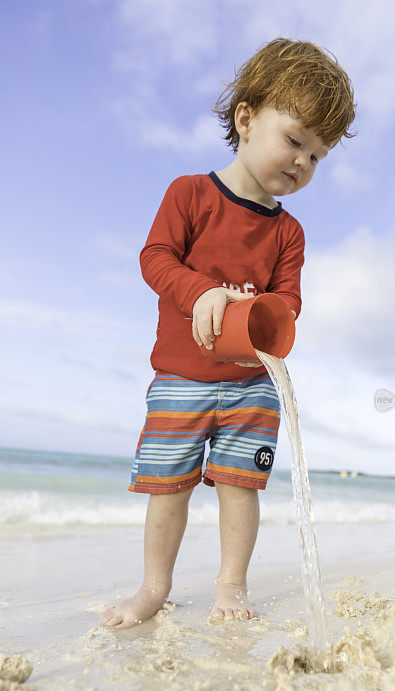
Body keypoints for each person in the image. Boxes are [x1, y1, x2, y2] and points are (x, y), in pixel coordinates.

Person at [100, 36, 356, 629]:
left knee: (240, 489)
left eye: (317, 157)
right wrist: (204, 292)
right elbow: (155, 258)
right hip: (181, 377)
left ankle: (230, 588)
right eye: (295, 140)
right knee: (168, 488)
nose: (302, 163)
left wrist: (261, 305)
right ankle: (153, 588)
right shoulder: (189, 194)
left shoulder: (288, 233)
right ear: (246, 118)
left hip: (251, 384)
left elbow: (289, 303)